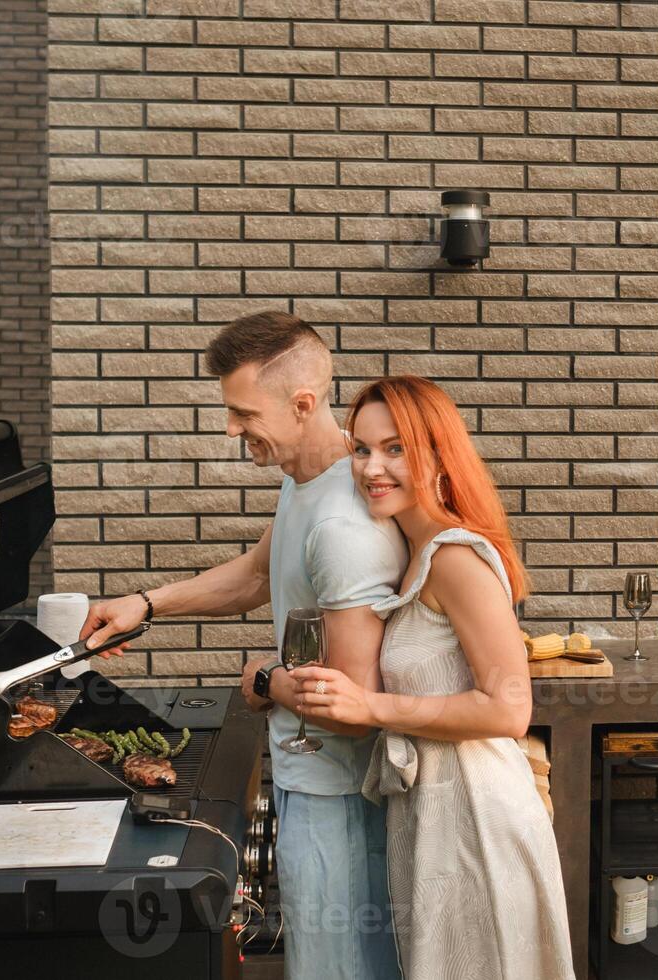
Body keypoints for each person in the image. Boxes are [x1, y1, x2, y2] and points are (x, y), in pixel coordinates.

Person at [79, 311, 405, 980]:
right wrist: (143, 604)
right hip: (309, 783)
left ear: (303, 404)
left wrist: (261, 681)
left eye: (242, 412)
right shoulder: (305, 480)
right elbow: (257, 574)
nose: (230, 429)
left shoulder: (346, 525)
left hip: (337, 796)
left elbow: (348, 700)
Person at [292, 376, 576, 980]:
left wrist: (372, 707)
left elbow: (507, 711)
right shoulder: (411, 549)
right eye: (362, 448)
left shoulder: (454, 557)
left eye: (396, 449)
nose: (373, 467)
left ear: (438, 453)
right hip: (433, 819)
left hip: (480, 819)